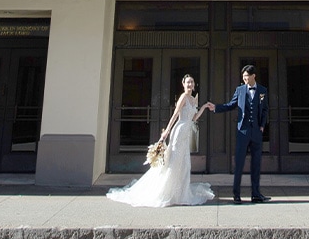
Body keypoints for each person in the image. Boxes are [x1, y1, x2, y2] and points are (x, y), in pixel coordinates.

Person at [107, 74, 214, 207]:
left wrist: (204, 107)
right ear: (183, 84)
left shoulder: (194, 99)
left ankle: (180, 192)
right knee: (173, 161)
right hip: (179, 131)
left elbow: (194, 118)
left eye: (191, 82)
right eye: (187, 82)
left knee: (184, 163)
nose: (190, 84)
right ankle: (166, 191)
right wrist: (167, 131)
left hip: (187, 133)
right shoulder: (183, 97)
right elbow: (175, 114)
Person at [212, 64, 270, 204]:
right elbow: (231, 104)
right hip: (242, 131)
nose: (244, 79)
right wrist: (216, 108)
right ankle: (236, 195)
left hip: (256, 131)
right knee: (239, 163)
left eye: (247, 76)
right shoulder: (240, 90)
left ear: (253, 76)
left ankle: (256, 194)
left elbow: (265, 110)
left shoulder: (262, 91)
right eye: (243, 77)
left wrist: (262, 126)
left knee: (256, 163)